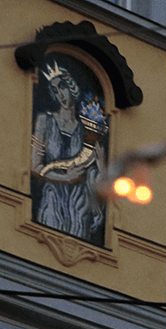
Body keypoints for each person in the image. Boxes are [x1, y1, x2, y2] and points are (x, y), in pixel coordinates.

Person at [31, 62, 106, 245]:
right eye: (55, 90)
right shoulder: (44, 121)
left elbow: (92, 174)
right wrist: (65, 178)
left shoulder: (86, 130)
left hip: (78, 204)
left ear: (72, 85)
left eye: (62, 87)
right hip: (52, 197)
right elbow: (35, 167)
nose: (60, 94)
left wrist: (102, 168)